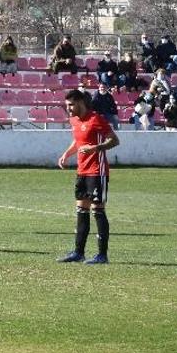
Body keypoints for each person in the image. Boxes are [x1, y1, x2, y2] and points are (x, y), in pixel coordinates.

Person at [58, 89, 119, 264]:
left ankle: (102, 255)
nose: (68, 108)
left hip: (97, 172)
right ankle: (78, 252)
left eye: (71, 105)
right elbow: (78, 141)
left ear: (80, 103)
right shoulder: (74, 120)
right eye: (67, 105)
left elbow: (114, 140)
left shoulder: (96, 119)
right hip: (82, 171)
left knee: (98, 211)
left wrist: (95, 148)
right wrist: (66, 154)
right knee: (81, 211)